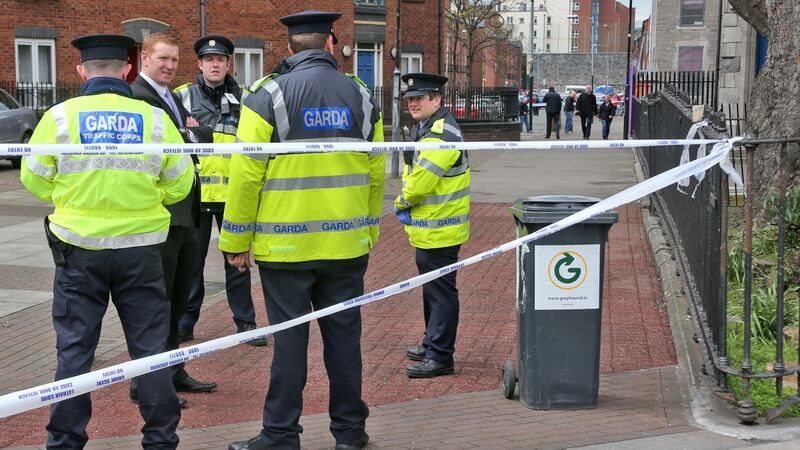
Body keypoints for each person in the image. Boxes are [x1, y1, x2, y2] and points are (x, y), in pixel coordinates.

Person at [222, 10, 385, 450]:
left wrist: (235, 242)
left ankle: (279, 435)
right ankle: (350, 434)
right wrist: (368, 229)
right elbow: (376, 172)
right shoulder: (362, 96)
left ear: (289, 48)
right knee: (345, 343)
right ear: (331, 44)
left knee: (290, 346)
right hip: (346, 244)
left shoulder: (266, 96)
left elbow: (246, 177)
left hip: (286, 248)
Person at [19, 34, 192, 449]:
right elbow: (181, 182)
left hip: (79, 252)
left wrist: (69, 194)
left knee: (75, 352)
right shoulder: (153, 119)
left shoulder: (60, 116)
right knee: (151, 351)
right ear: (128, 70)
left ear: (81, 71)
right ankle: (161, 440)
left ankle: (65, 442)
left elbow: (34, 179)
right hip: (142, 253)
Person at [130, 32, 218, 404]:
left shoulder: (170, 96)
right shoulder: (137, 96)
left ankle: (173, 368)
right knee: (158, 301)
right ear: (144, 58)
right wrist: (190, 132)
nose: (170, 66)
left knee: (179, 298)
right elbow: (189, 139)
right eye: (163, 59)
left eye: (174, 60)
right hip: (160, 215)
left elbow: (202, 135)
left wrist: (192, 132)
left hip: (187, 210)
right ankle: (146, 383)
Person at [174, 35, 267, 347]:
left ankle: (246, 323)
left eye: (221, 59)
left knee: (238, 262)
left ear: (230, 65)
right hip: (195, 194)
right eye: (209, 59)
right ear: (199, 64)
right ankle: (186, 323)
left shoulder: (246, 98)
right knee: (191, 265)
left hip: (232, 195)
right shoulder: (180, 97)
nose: (215, 64)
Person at [396, 73, 470, 379]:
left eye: (420, 98)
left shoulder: (440, 136)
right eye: (410, 99)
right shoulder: (430, 127)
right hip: (433, 227)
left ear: (437, 100)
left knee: (440, 293)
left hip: (440, 228)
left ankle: (440, 356)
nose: (413, 103)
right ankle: (431, 342)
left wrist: (400, 201)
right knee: (433, 290)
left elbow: (419, 185)